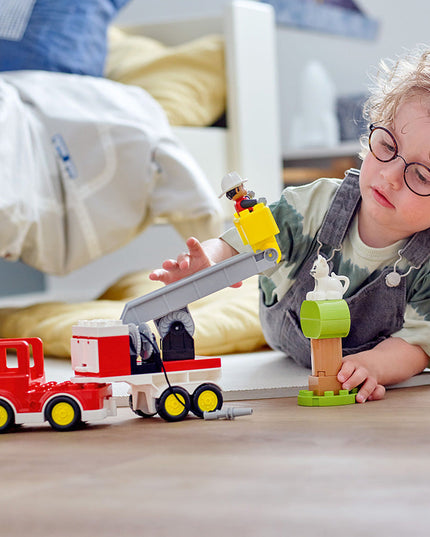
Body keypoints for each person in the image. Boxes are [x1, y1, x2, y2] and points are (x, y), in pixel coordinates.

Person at [150, 46, 430, 403]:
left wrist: (375, 365)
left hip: (355, 360)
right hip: (285, 331)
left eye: (421, 176)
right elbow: (238, 243)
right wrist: (206, 263)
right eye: (387, 146)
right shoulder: (314, 205)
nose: (390, 176)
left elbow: (417, 343)